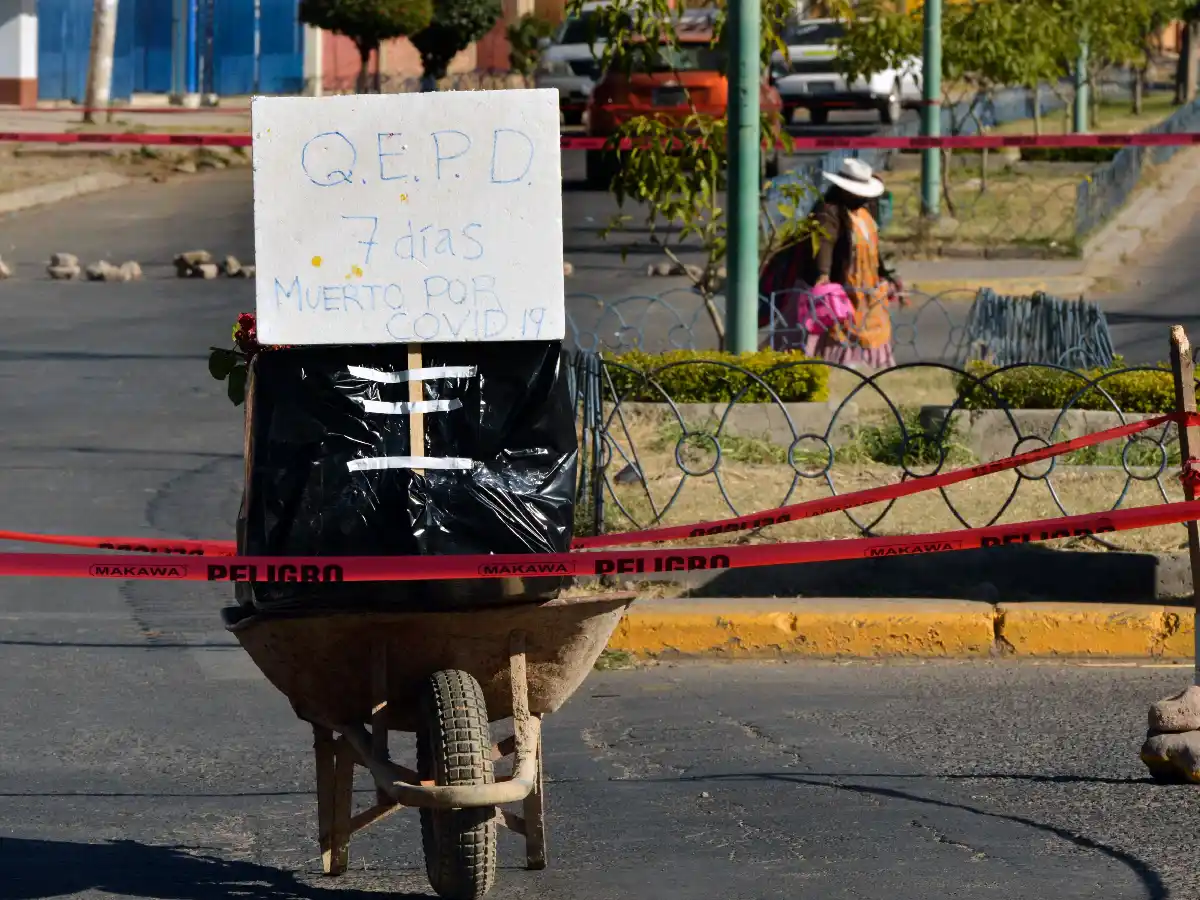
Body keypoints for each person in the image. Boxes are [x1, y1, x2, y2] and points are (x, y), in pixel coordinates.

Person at [759, 157, 904, 368]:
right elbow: (823, 243)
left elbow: (872, 247)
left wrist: (885, 274)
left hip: (865, 288)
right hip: (836, 287)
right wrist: (823, 276)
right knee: (827, 330)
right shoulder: (828, 212)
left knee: (867, 328)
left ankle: (864, 367)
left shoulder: (864, 212)